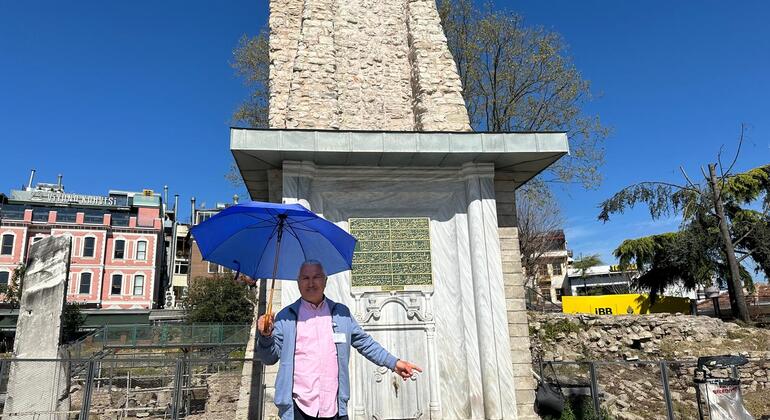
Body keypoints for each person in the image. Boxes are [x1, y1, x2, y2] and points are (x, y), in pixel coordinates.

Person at [255, 260, 422, 420]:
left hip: (333, 407)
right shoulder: (285, 317)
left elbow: (365, 343)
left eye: (316, 277)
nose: (311, 283)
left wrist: (394, 363)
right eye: (305, 278)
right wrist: (266, 336)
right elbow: (269, 358)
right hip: (297, 407)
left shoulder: (341, 314)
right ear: (298, 282)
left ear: (325, 281)